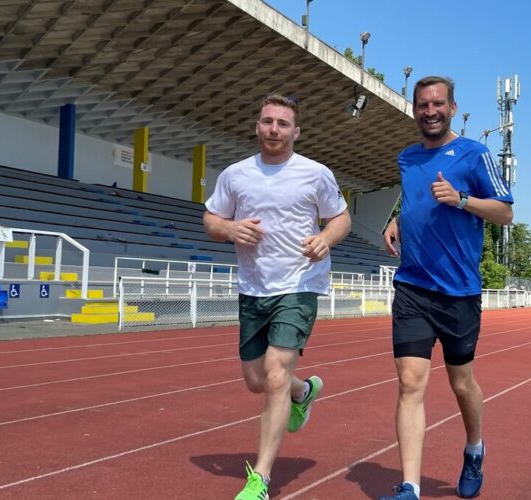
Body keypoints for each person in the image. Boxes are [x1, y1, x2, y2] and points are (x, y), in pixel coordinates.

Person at [202, 94, 351, 500]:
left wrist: (324, 238)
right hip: (253, 287)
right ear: (257, 125)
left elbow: (341, 217)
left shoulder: (315, 173)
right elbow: (211, 218)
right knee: (256, 381)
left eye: (283, 124)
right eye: (267, 121)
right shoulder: (235, 175)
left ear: (296, 132)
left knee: (273, 375)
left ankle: (261, 480)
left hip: (299, 284)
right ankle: (304, 393)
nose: (274, 129)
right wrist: (229, 230)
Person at [380, 76, 514, 500]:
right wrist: (397, 220)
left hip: (458, 291)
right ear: (415, 109)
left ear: (452, 108)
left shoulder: (475, 154)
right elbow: (416, 199)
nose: (430, 111)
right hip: (413, 287)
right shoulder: (407, 157)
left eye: (438, 104)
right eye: (422, 104)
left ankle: (474, 448)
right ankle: (410, 487)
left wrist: (460, 199)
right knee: (409, 383)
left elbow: (505, 212)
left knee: (461, 384)